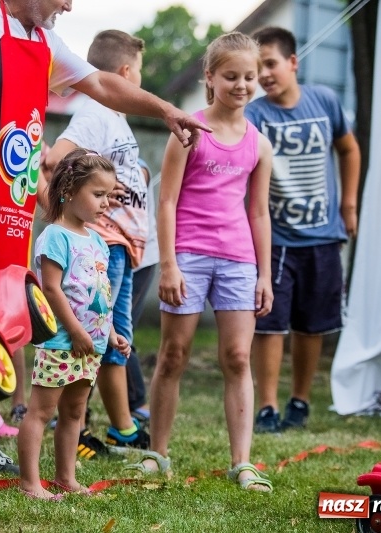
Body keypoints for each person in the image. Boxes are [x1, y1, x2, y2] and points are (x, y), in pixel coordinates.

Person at [0, 0, 208, 481]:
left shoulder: (45, 41)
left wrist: (165, 110)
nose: (69, 5)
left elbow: (101, 84)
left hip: (11, 211)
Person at [127, 33, 274, 493]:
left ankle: (243, 463)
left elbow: (258, 212)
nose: (242, 85)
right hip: (188, 254)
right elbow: (165, 201)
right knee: (173, 355)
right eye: (231, 76)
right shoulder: (187, 131)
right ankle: (158, 454)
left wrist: (265, 275)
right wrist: (168, 265)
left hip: (238, 260)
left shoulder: (260, 145)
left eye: (249, 77)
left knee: (237, 357)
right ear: (210, 77)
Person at [246, 26, 360, 434]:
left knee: (312, 324)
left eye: (271, 64)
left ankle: (300, 401)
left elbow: (348, 148)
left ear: (293, 62)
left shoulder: (325, 100)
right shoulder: (255, 114)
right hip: (276, 239)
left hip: (324, 236)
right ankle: (268, 406)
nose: (265, 74)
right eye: (258, 68)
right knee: (270, 323)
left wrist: (348, 205)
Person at [43, 29, 151, 455]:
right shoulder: (97, 114)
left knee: (111, 335)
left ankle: (94, 423)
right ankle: (115, 428)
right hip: (103, 243)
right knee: (107, 333)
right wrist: (89, 199)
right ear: (125, 73)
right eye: (138, 73)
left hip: (120, 244)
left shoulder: (115, 119)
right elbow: (55, 160)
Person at [18, 148, 130, 499]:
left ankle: (66, 478)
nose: (105, 203)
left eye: (108, 196)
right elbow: (50, 288)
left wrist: (109, 334)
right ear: (67, 190)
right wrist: (78, 332)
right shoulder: (55, 236)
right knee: (42, 411)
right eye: (98, 195)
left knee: (75, 412)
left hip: (91, 345)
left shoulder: (98, 240)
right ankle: (30, 483)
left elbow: (100, 293)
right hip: (61, 342)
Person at [126, 158, 157, 427]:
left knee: (121, 332)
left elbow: (142, 174)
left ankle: (138, 405)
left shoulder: (137, 167)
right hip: (108, 255)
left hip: (140, 259)